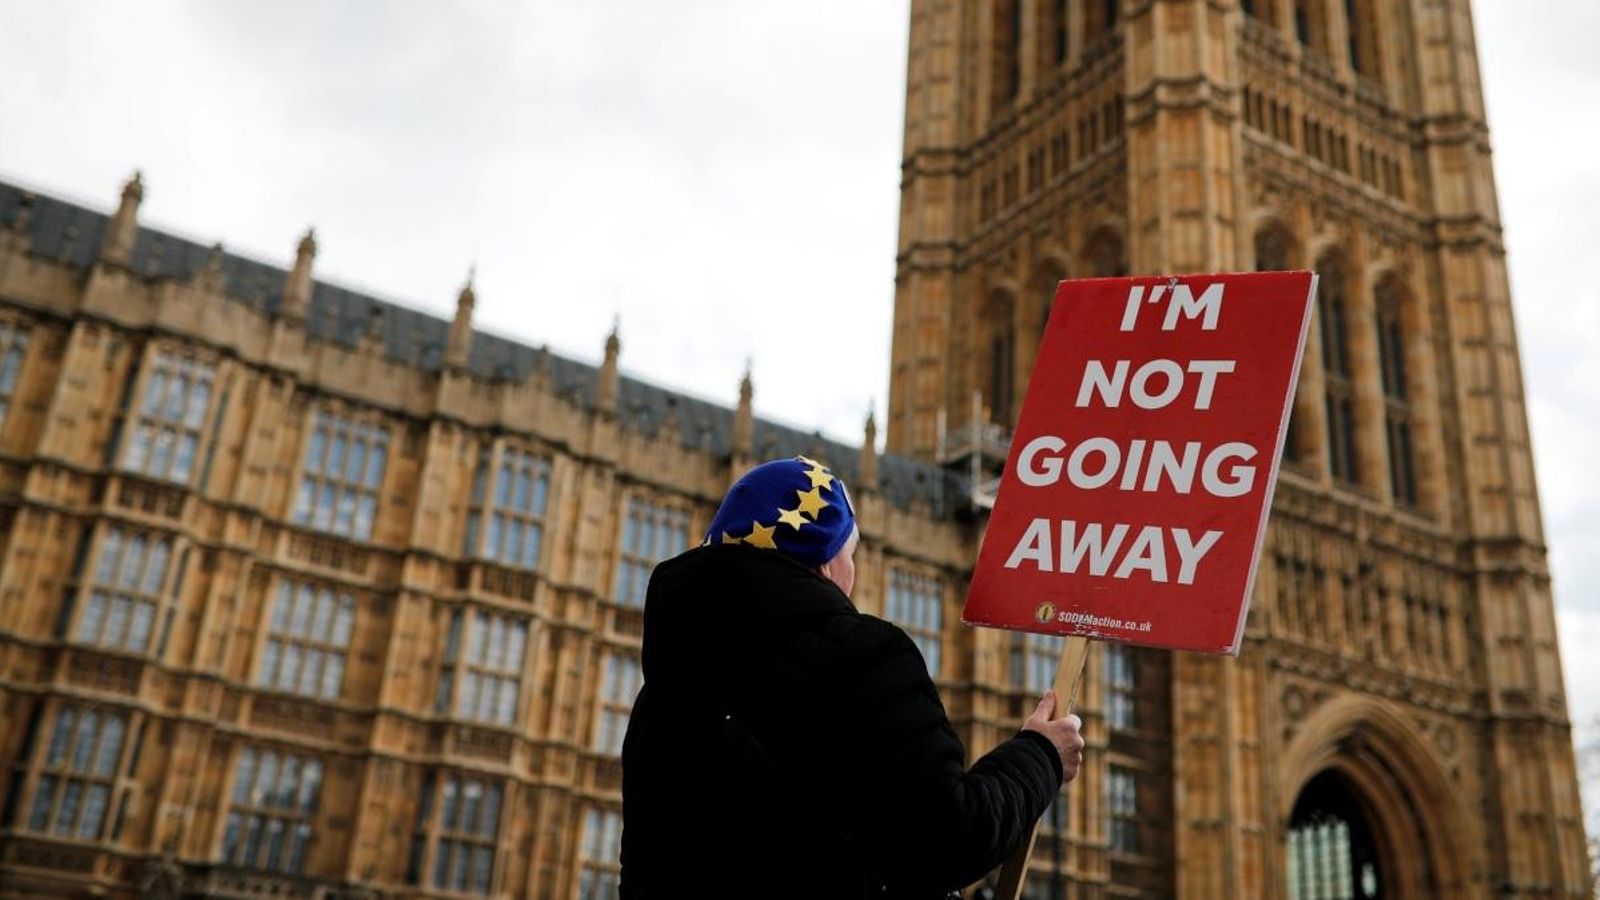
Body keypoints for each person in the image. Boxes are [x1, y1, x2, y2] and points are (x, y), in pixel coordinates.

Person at [621, 457, 1085, 899]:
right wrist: (1041, 755)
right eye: (852, 553)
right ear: (824, 560)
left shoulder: (661, 697)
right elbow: (948, 839)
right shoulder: (861, 657)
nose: (854, 574)